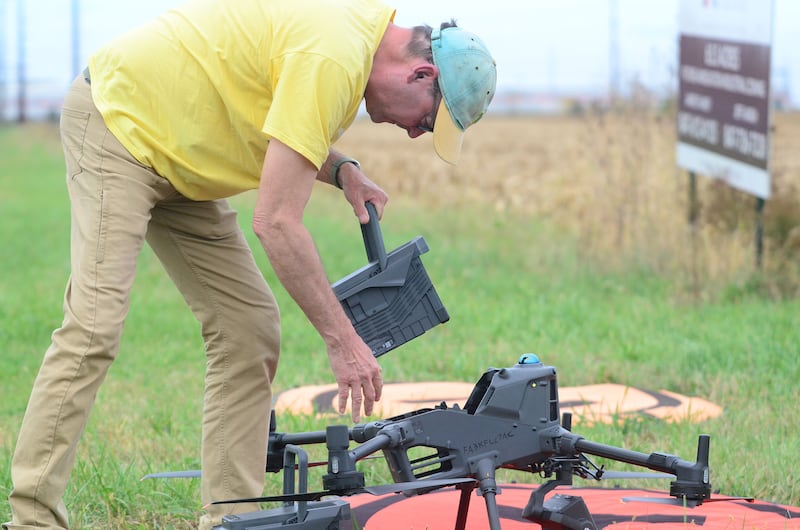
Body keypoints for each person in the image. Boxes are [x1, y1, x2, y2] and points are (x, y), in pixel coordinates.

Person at [3, 0, 496, 528]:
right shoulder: (335, 56)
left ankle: (229, 519)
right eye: (427, 118)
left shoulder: (347, 52)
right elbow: (277, 223)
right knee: (94, 326)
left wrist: (342, 169)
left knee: (249, 330)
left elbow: (274, 115)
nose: (417, 132)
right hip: (119, 125)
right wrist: (343, 340)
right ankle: (32, 517)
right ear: (420, 72)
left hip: (183, 159)